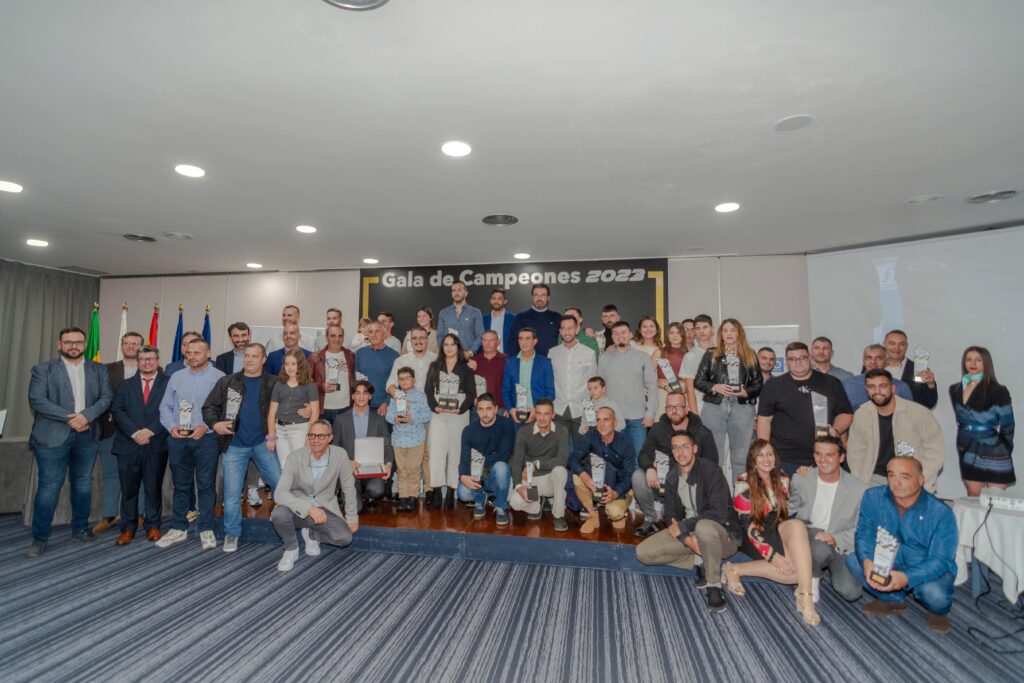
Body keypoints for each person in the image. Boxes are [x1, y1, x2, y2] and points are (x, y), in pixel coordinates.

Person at [25, 327, 113, 557]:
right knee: (49, 487)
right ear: (59, 344)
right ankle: (40, 538)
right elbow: (37, 400)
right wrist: (72, 418)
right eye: (68, 342)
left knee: (83, 484)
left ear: (85, 344)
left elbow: (106, 398)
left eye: (78, 342)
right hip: (52, 436)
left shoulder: (99, 369)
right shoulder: (43, 369)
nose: (74, 346)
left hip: (87, 434)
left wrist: (86, 416)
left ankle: (81, 529)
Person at [846, 456, 956, 634]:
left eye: (905, 477)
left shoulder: (941, 512)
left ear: (921, 480)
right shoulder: (873, 496)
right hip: (889, 560)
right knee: (853, 561)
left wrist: (906, 577)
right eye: (891, 475)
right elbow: (864, 535)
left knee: (935, 595)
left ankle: (937, 611)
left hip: (924, 565)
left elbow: (940, 560)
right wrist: (867, 561)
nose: (896, 483)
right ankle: (893, 599)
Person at [635, 431, 742, 613]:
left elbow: (718, 513)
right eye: (675, 448)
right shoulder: (672, 477)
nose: (680, 452)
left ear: (695, 448)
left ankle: (714, 585)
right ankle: (701, 560)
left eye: (685, 446)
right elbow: (669, 515)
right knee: (643, 553)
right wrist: (686, 539)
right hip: (692, 533)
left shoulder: (711, 471)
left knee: (704, 526)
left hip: (723, 536)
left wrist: (683, 526)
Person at [724, 439, 820, 626]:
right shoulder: (743, 482)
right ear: (753, 460)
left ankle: (805, 598)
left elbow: (793, 508)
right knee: (797, 573)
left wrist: (806, 473)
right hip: (754, 533)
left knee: (797, 526)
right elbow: (748, 526)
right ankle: (734, 569)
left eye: (769, 454)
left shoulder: (783, 477)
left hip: (777, 527)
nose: (766, 459)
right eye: (760, 455)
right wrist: (773, 556)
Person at [203, 342, 281, 553]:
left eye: (255, 356)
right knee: (231, 493)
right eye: (247, 355)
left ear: (263, 359)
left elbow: (288, 403)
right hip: (234, 445)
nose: (249, 359)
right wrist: (215, 424)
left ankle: (285, 523)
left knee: (280, 483)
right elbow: (209, 407)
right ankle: (232, 533)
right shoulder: (227, 381)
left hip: (263, 443)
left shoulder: (274, 383)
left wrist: (304, 409)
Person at [156, 337, 224, 550]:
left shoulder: (220, 377)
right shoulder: (176, 377)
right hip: (179, 440)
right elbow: (165, 407)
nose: (192, 356)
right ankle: (179, 527)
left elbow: (225, 411)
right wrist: (171, 427)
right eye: (189, 352)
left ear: (208, 354)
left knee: (206, 485)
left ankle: (206, 527)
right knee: (180, 485)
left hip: (207, 439)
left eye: (197, 352)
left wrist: (207, 426)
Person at [271, 419, 358, 572]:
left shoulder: (340, 455)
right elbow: (280, 493)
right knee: (278, 514)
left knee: (344, 538)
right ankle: (291, 549)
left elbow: (348, 487)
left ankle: (312, 534)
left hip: (325, 508)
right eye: (312, 435)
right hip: (298, 508)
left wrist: (352, 517)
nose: (315, 440)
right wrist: (309, 508)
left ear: (330, 438)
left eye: (321, 436)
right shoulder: (295, 457)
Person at [756, 342, 853, 475]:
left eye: (802, 357)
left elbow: (846, 413)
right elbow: (764, 420)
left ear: (810, 358)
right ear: (786, 362)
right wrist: (764, 453)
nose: (798, 362)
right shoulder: (773, 386)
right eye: (793, 359)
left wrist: (836, 430)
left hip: (822, 458)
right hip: (783, 459)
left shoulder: (831, 383)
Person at [789, 437, 867, 602]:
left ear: (841, 457)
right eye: (818, 454)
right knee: (821, 549)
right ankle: (812, 579)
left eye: (829, 455)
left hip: (839, 540)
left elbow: (861, 528)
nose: (822, 460)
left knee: (851, 592)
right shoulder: (801, 478)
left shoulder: (859, 489)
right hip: (809, 534)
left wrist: (836, 539)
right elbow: (790, 510)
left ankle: (817, 566)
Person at [632, 391, 718, 537]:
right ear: (665, 409)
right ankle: (651, 519)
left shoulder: (703, 433)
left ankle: (682, 519)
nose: (674, 411)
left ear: (687, 409)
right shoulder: (658, 428)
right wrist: (649, 468)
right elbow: (644, 453)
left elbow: (712, 465)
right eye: (670, 407)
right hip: (661, 482)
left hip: (687, 487)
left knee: (676, 524)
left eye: (678, 406)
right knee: (638, 476)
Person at [847, 369, 945, 491]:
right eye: (872, 387)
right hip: (872, 479)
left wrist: (919, 480)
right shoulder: (862, 414)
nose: (877, 391)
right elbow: (855, 452)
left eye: (883, 386)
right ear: (867, 390)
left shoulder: (918, 413)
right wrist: (859, 480)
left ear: (893, 388)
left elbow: (935, 450)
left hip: (909, 479)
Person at [109, 344, 169, 545]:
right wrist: (135, 432)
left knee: (153, 488)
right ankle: (128, 528)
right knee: (129, 490)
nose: (147, 362)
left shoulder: (168, 383)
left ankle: (153, 526)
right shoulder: (125, 385)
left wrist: (150, 431)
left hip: (155, 444)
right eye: (142, 359)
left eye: (150, 359)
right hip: (128, 444)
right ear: (137, 362)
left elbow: (171, 410)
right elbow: (117, 410)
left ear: (157, 361)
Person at [694, 318, 764, 481]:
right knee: (713, 454)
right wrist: (715, 387)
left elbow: (758, 384)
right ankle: (715, 493)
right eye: (725, 331)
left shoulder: (750, 354)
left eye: (733, 330)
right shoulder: (711, 354)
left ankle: (740, 493)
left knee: (741, 455)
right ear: (720, 334)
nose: (729, 334)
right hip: (714, 405)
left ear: (739, 333)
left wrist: (746, 392)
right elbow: (698, 381)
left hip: (742, 407)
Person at [94, 331, 144, 534]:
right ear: (122, 346)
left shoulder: (152, 368)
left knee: (139, 473)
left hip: (140, 431)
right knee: (111, 473)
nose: (130, 346)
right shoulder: (106, 369)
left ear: (141, 346)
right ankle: (109, 516)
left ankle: (139, 514)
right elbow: (101, 397)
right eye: (127, 343)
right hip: (111, 429)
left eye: (135, 343)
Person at [950, 346, 1015, 495]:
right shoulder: (955, 389)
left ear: (986, 362)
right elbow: (962, 420)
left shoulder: (998, 390)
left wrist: (1005, 448)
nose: (973, 363)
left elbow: (1008, 424)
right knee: (973, 500)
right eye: (969, 359)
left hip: (995, 451)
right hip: (967, 448)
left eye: (978, 360)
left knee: (995, 501)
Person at [424, 334, 476, 509]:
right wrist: (435, 407)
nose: (449, 347)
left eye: (453, 344)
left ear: (458, 347)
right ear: (442, 347)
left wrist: (461, 409)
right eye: (446, 344)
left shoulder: (466, 368)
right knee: (436, 453)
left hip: (459, 412)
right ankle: (437, 491)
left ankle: (451, 492)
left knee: (455, 452)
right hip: (439, 412)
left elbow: (471, 393)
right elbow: (428, 391)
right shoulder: (434, 366)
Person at [568, 407, 636, 533]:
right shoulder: (591, 435)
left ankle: (620, 513)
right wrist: (584, 476)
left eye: (606, 420)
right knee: (576, 476)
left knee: (615, 513)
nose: (601, 424)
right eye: (598, 420)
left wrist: (615, 493)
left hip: (618, 487)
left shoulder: (625, 443)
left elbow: (629, 476)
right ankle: (593, 515)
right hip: (597, 483)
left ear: (615, 423)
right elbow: (573, 458)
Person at [597, 321, 658, 456]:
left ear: (630, 335)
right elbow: (598, 389)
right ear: (612, 337)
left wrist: (651, 413)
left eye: (623, 332)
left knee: (637, 458)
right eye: (616, 333)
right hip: (612, 419)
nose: (620, 336)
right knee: (613, 459)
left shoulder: (642, 357)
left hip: (638, 418)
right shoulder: (604, 358)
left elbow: (652, 385)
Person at [332, 380, 395, 512]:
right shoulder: (340, 419)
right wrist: (348, 462)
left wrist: (388, 464)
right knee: (356, 509)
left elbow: (387, 445)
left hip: (372, 470)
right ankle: (352, 493)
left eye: (365, 393)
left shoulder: (379, 418)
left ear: (370, 396)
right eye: (357, 393)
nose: (361, 397)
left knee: (377, 490)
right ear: (352, 396)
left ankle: (362, 494)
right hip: (349, 471)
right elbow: (334, 449)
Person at [509, 399, 570, 530]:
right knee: (514, 502)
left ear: (553, 415)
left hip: (550, 480)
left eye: (546, 414)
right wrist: (519, 486)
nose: (542, 418)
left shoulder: (562, 431)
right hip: (531, 480)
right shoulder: (524, 432)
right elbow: (517, 461)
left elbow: (562, 460)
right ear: (534, 414)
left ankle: (558, 515)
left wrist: (537, 464)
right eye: (539, 413)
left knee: (560, 470)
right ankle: (536, 505)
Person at [457, 393, 516, 524]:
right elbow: (464, 458)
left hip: (497, 476)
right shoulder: (468, 431)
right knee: (462, 493)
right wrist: (462, 476)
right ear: (476, 411)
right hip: (477, 476)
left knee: (501, 466)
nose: (485, 413)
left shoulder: (506, 425)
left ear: (496, 409)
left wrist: (478, 460)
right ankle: (480, 498)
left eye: (489, 409)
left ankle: (500, 506)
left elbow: (503, 455)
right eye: (481, 409)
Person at [385, 367, 432, 511]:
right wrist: (394, 418)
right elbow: (388, 415)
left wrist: (413, 418)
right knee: (401, 469)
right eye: (401, 379)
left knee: (413, 469)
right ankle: (403, 496)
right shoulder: (396, 397)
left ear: (414, 380)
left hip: (416, 440)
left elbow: (427, 415)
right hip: (398, 440)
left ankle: (413, 496)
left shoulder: (421, 397)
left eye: (407, 378)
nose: (404, 381)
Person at [549, 315, 597, 448]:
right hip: (559, 409)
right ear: (560, 331)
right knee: (559, 450)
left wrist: (591, 412)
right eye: (563, 329)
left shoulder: (589, 353)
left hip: (581, 411)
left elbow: (594, 384)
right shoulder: (552, 353)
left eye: (570, 328)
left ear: (577, 330)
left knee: (582, 450)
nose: (567, 332)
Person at [267, 349, 319, 469]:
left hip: (299, 430)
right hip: (280, 431)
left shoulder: (309, 385)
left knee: (300, 466)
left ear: (300, 365)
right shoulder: (279, 385)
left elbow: (315, 412)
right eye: (287, 364)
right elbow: (272, 412)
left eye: (293, 364)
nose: (289, 367)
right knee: (284, 466)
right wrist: (271, 436)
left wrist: (309, 436)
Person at [502, 328, 555, 427]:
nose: (524, 342)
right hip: (516, 416)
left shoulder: (545, 363)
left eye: (527, 338)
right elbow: (506, 390)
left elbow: (550, 391)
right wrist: (510, 409)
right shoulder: (510, 362)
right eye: (521, 339)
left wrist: (538, 410)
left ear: (535, 341)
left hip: (538, 416)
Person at [309, 324, 356, 424]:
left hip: (345, 408)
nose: (337, 339)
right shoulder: (315, 357)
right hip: (322, 409)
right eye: (333, 336)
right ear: (326, 338)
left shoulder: (351, 356)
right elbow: (306, 383)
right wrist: (321, 386)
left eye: (340, 336)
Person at [842, 344, 914, 410]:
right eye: (869, 358)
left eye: (878, 358)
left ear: (886, 362)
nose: (873, 362)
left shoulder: (901, 387)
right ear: (863, 362)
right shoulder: (848, 384)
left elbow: (909, 414)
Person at [883, 329, 938, 409]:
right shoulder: (874, 368)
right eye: (892, 343)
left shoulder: (920, 371)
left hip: (908, 416)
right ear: (884, 344)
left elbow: (930, 403)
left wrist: (931, 384)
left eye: (901, 344)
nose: (896, 348)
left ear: (907, 346)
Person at [355, 322, 400, 416]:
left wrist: (387, 402)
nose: (373, 334)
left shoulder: (394, 356)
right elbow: (355, 379)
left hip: (383, 407)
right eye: (370, 332)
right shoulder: (360, 353)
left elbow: (398, 383)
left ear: (384, 335)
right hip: (362, 404)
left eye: (377, 331)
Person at [508, 284, 562, 356]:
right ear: (532, 297)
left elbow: (563, 341)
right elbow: (513, 343)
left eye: (543, 295)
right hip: (528, 361)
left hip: (553, 360)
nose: (539, 298)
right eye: (536, 295)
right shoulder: (521, 317)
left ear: (548, 298)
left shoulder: (556, 317)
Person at [387, 326, 437, 397]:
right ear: (410, 341)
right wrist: (401, 399)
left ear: (427, 340)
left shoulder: (436, 359)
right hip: (408, 402)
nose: (418, 341)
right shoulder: (400, 361)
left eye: (422, 338)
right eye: (414, 338)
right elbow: (391, 384)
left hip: (431, 402)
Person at [437, 281, 485, 355]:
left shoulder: (475, 312)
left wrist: (471, 352)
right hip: (449, 356)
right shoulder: (443, 313)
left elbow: (480, 335)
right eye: (454, 290)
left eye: (459, 290)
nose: (456, 293)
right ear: (451, 294)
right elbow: (440, 336)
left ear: (466, 293)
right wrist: (445, 351)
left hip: (469, 357)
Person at [681, 314, 716, 414]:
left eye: (705, 327)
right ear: (695, 332)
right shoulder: (689, 356)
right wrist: (695, 416)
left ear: (712, 329)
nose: (701, 331)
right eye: (698, 328)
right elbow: (690, 389)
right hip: (702, 409)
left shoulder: (724, 352)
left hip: (724, 409)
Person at [655, 322, 687, 417]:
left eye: (678, 333)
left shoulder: (689, 354)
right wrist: (664, 386)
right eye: (672, 333)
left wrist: (687, 387)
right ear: (667, 335)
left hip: (683, 394)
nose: (675, 335)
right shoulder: (660, 352)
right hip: (663, 392)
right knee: (662, 422)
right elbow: (647, 377)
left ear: (683, 335)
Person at [468, 330, 506, 411]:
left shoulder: (506, 361)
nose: (487, 343)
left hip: (499, 408)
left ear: (498, 342)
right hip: (478, 408)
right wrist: (472, 399)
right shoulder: (473, 361)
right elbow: (467, 384)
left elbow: (510, 385)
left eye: (491, 340)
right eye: (484, 340)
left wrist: (508, 407)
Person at [482, 288, 516, 354]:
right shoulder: (483, 320)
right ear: (490, 301)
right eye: (493, 298)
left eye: (499, 299)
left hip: (508, 357)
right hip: (488, 358)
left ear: (505, 301)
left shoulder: (514, 319)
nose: (496, 301)